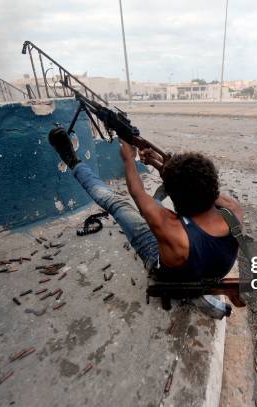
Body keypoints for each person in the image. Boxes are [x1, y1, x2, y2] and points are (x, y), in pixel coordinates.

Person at [48, 127, 243, 316]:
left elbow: (137, 192)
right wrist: (160, 165)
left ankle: (73, 162)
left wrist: (129, 159)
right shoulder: (232, 209)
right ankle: (160, 195)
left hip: (166, 266)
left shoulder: (170, 227)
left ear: (175, 199)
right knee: (154, 205)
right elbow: (197, 187)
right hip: (209, 270)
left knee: (116, 203)